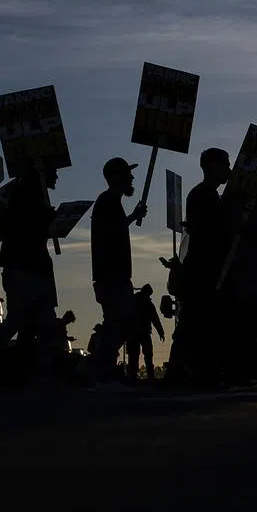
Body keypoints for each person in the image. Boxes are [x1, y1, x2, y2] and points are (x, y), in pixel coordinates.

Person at [0, 166, 60, 382]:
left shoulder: (27, 195)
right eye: (53, 170)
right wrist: (45, 218)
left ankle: (31, 371)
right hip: (25, 267)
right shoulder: (25, 195)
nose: (57, 175)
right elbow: (24, 230)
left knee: (40, 322)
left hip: (33, 267)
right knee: (22, 319)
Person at [169, 147, 231, 387]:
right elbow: (211, 232)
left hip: (203, 265)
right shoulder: (203, 195)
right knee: (196, 317)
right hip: (202, 267)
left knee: (199, 319)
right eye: (225, 164)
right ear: (213, 166)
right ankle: (184, 369)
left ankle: (192, 368)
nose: (228, 170)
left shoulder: (206, 194)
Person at [90, 157, 148, 388]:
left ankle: (102, 369)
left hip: (112, 274)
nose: (131, 178)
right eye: (127, 174)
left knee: (118, 324)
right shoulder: (108, 201)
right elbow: (111, 235)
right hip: (112, 275)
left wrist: (133, 217)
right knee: (122, 323)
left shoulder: (110, 202)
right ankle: (101, 370)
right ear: (115, 177)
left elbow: (114, 229)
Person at [128, 284, 166, 382]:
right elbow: (155, 319)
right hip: (141, 331)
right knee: (145, 353)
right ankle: (147, 374)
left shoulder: (132, 301)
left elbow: (155, 318)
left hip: (135, 331)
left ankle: (133, 374)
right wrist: (161, 332)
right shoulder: (146, 303)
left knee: (135, 354)